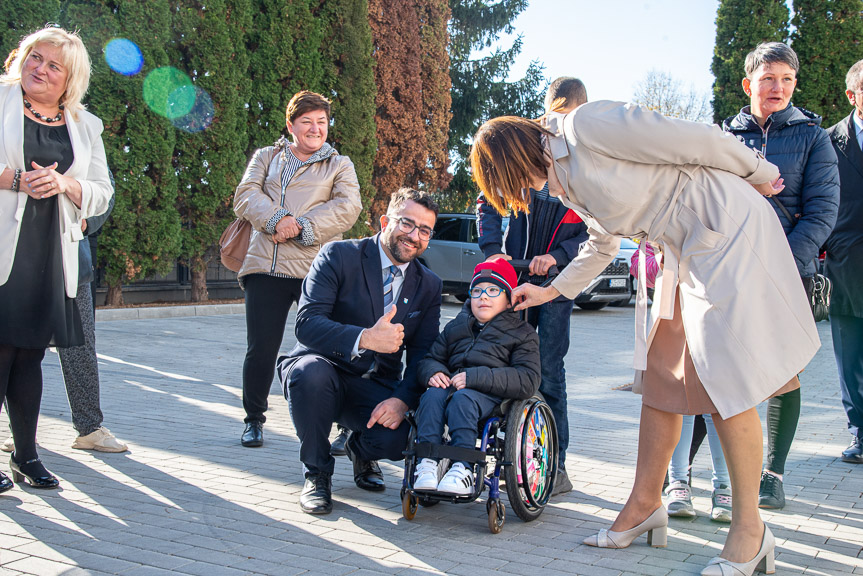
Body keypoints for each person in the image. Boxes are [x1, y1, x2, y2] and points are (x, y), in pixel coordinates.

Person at [470, 102, 819, 575]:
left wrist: (759, 170)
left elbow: (693, 139)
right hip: (681, 248)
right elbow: (601, 244)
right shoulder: (563, 175)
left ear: (512, 161)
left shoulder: (583, 127)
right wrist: (550, 290)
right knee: (661, 376)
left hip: (721, 227)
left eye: (509, 185)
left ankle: (751, 533)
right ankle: (644, 506)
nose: (521, 196)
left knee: (725, 383)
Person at [722, 42, 839, 509]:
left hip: (790, 274)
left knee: (783, 375)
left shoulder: (814, 137)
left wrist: (784, 264)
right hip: (731, 272)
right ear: (749, 84)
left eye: (787, 79)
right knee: (730, 374)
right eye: (769, 78)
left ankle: (773, 474)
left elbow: (822, 212)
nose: (778, 88)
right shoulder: (722, 136)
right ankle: (733, 474)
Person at [276, 189, 442, 515]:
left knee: (399, 438)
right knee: (309, 375)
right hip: (322, 367)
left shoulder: (429, 284)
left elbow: (423, 353)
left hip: (374, 384)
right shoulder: (338, 255)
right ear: (385, 221)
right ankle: (317, 473)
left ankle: (359, 448)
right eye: (407, 224)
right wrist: (366, 338)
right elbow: (307, 324)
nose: (414, 236)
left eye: (424, 230)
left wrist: (401, 400)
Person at [0, 27, 113, 492]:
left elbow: (102, 192)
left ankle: (26, 455)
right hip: (6, 250)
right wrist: (15, 181)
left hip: (54, 257)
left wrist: (67, 185)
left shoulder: (85, 125)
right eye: (34, 57)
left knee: (28, 358)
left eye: (53, 65)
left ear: (70, 79)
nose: (39, 69)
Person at [476, 76, 588, 496]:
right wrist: (491, 250)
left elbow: (593, 232)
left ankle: (555, 468)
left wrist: (556, 257)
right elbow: (487, 197)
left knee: (550, 371)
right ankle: (509, 455)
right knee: (505, 360)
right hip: (515, 277)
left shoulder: (582, 159)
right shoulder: (526, 149)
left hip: (559, 283)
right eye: (553, 116)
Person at [233, 90, 361, 448]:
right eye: (306, 121)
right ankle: (253, 420)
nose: (315, 128)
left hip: (317, 270)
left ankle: (346, 424)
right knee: (261, 348)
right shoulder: (266, 157)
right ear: (291, 125)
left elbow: (347, 208)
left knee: (335, 348)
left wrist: (299, 225)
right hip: (266, 266)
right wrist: (277, 219)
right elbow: (245, 196)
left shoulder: (340, 164)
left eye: (321, 121)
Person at [1, 194, 127, 455]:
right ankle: (22, 435)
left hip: (69, 257)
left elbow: (105, 187)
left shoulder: (83, 150)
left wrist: (87, 222)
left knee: (80, 345)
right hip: (17, 256)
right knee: (17, 348)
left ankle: (90, 428)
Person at [413, 259, 540, 495]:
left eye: (493, 291)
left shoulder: (522, 334)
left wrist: (474, 377)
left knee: (464, 400)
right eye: (477, 291)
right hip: (453, 387)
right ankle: (428, 463)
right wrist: (434, 372)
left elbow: (528, 378)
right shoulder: (456, 327)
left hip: (492, 397)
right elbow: (430, 359)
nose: (483, 297)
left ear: (509, 298)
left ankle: (464, 466)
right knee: (431, 396)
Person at [631, 245, 732, 523]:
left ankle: (724, 486)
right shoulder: (658, 221)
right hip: (674, 321)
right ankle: (678, 483)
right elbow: (639, 264)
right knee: (677, 403)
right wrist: (663, 263)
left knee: (719, 405)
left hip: (717, 314)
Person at [825, 59, 863, 464]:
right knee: (850, 357)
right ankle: (860, 434)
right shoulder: (829, 141)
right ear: (852, 95)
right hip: (847, 264)